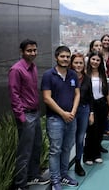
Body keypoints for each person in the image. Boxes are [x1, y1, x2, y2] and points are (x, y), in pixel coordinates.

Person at [8, 39, 50, 190]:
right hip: (26, 115)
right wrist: (22, 117)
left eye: (34, 50)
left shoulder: (33, 67)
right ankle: (20, 184)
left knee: (36, 147)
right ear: (22, 52)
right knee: (24, 152)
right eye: (29, 50)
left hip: (35, 113)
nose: (33, 53)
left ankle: (33, 176)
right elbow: (14, 95)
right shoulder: (16, 70)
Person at [41, 46, 80, 190]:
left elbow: (77, 94)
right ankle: (55, 179)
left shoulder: (73, 74)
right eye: (62, 56)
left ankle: (64, 175)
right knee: (55, 150)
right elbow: (46, 98)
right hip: (55, 119)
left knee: (67, 148)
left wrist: (73, 112)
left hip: (71, 118)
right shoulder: (48, 75)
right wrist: (63, 113)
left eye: (68, 57)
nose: (65, 59)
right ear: (56, 57)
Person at [83, 51, 109, 165]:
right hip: (91, 104)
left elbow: (107, 92)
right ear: (89, 60)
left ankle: (96, 154)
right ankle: (87, 156)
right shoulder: (85, 74)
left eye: (98, 60)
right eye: (93, 59)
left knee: (100, 131)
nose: (95, 62)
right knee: (91, 131)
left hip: (102, 104)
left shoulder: (102, 74)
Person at [70, 53, 94, 176]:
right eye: (76, 62)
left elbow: (91, 97)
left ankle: (78, 163)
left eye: (80, 63)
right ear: (71, 64)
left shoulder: (87, 78)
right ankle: (64, 166)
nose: (78, 65)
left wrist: (91, 113)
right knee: (69, 140)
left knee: (80, 139)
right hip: (69, 111)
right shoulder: (67, 77)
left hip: (84, 110)